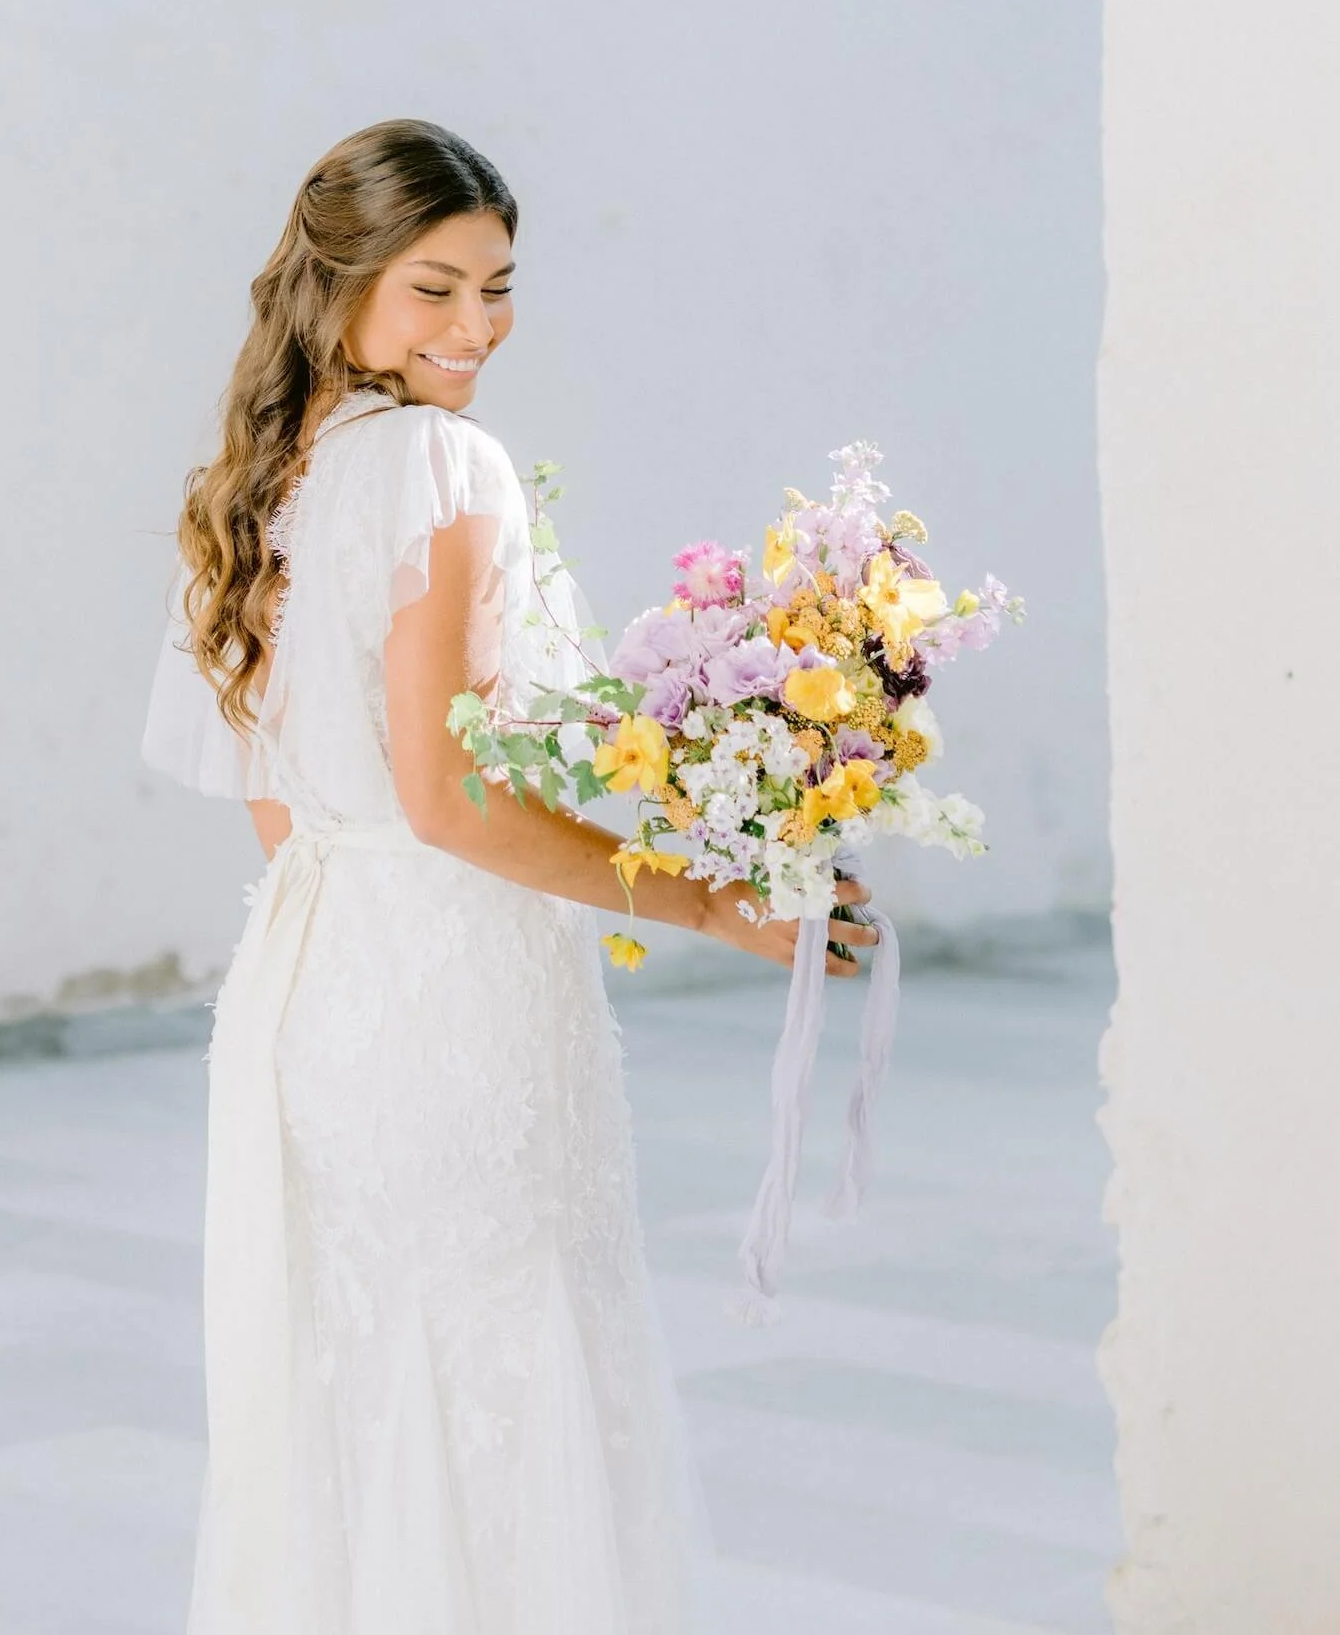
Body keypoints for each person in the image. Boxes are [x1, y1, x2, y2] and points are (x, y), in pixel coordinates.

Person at [142, 117, 873, 1634]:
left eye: (498, 286)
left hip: (311, 983)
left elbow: (285, 807)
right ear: (337, 285)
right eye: (436, 288)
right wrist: (714, 901)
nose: (476, 327)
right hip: (455, 994)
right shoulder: (434, 464)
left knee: (359, 1372)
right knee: (502, 1354)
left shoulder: (265, 474)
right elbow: (453, 797)